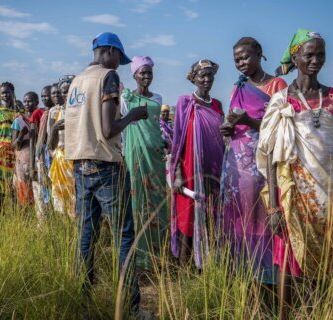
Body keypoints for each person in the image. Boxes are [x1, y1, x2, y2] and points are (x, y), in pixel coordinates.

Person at [256, 29, 333, 320]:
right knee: (289, 261)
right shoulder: (281, 100)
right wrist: (274, 205)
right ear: (296, 57)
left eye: (321, 54)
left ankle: (313, 312)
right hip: (292, 192)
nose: (316, 60)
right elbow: (269, 153)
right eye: (309, 54)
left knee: (322, 258)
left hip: (324, 194)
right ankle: (284, 315)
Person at [64, 32, 150, 317]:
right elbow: (109, 129)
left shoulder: (76, 81)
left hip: (79, 166)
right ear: (110, 50)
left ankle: (82, 304)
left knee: (86, 236)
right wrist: (132, 116)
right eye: (119, 58)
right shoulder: (108, 77)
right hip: (105, 166)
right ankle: (131, 307)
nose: (119, 64)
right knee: (124, 236)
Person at [220, 37, 287, 285]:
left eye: (245, 56)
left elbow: (281, 127)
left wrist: (249, 122)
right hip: (237, 168)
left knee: (265, 216)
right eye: (236, 59)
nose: (241, 63)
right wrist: (227, 128)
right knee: (240, 218)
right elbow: (232, 122)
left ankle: (268, 277)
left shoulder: (277, 85)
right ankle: (242, 274)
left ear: (259, 53)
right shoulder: (236, 87)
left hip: (264, 165)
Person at [170, 60, 225, 268]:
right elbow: (177, 141)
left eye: (210, 75)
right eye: (202, 75)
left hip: (214, 170)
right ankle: (185, 269)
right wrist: (176, 174)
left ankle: (208, 266)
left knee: (211, 216)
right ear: (193, 78)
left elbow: (222, 137)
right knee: (188, 218)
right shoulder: (185, 102)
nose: (207, 79)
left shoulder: (218, 105)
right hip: (190, 171)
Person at [121, 56, 167, 271]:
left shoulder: (158, 98)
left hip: (156, 156)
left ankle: (158, 256)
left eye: (149, 73)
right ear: (134, 75)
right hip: (135, 155)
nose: (146, 76)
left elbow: (157, 128)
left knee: (157, 203)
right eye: (142, 73)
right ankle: (140, 259)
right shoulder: (126, 99)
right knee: (138, 202)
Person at [0, 82, 18, 216]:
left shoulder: (18, 112)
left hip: (15, 154)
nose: (5, 95)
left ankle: (14, 219)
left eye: (8, 92)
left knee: (13, 188)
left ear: (13, 93)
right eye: (3, 93)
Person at [48, 77, 76, 218]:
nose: (66, 94)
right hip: (60, 159)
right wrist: (54, 129)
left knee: (75, 197)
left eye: (70, 90)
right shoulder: (54, 112)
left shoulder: (79, 110)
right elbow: (50, 144)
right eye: (64, 91)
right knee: (61, 197)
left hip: (76, 158)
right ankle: (64, 231)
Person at [11, 91, 43, 206]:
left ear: (37, 102)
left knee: (38, 193)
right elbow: (14, 145)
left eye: (30, 101)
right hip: (23, 162)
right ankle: (25, 220)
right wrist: (21, 135)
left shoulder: (40, 118)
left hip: (38, 160)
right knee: (24, 195)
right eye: (25, 101)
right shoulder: (18, 121)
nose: (27, 103)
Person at [33, 85, 54, 219]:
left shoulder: (54, 112)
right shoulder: (43, 113)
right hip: (43, 153)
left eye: (47, 95)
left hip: (53, 153)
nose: (45, 98)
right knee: (44, 185)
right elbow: (39, 138)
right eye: (43, 96)